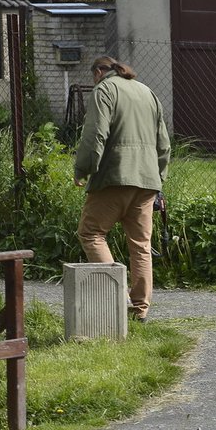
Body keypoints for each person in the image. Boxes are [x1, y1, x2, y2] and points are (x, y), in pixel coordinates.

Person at [74, 56, 171, 323]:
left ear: (98, 72)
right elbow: (163, 143)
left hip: (114, 176)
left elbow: (95, 134)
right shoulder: (146, 91)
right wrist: (158, 177)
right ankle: (140, 309)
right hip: (147, 179)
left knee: (91, 233)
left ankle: (120, 297)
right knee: (141, 244)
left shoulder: (104, 90)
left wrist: (83, 168)